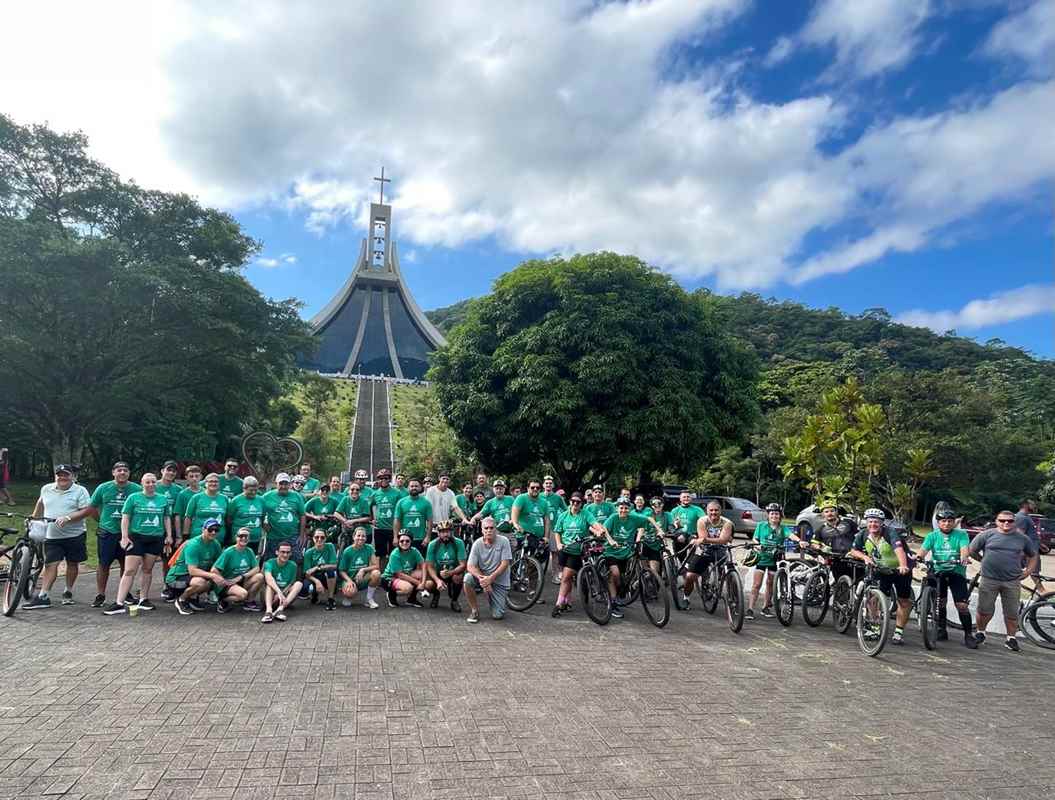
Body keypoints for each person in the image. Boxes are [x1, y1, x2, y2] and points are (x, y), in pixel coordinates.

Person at [102, 472, 173, 615]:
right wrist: (124, 537)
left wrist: (169, 535)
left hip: (155, 538)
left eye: (153, 482)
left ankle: (143, 599)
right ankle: (119, 602)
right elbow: (125, 517)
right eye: (148, 482)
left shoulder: (162, 499)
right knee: (129, 570)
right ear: (142, 483)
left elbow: (166, 518)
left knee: (147, 570)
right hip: (137, 537)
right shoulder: (133, 498)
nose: (151, 485)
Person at [23, 465, 92, 610]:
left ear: (72, 476)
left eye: (66, 475)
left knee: (72, 564)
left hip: (75, 534)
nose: (62, 477)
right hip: (52, 535)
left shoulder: (80, 491)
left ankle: (68, 591)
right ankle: (44, 596)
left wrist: (68, 518)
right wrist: (34, 518)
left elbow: (87, 510)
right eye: (59, 475)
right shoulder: (47, 488)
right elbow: (41, 502)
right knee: (50, 565)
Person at [969, 510, 1038, 652]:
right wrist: (983, 561)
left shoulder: (1022, 538)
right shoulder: (986, 535)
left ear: (1015, 522)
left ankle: (1011, 638)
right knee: (984, 610)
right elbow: (972, 550)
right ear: (996, 521)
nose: (1006, 523)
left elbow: (1033, 556)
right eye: (1002, 520)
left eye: (1010, 521)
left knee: (1012, 612)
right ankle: (981, 632)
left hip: (1012, 581)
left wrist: (1028, 572)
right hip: (989, 579)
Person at [591, 497, 663, 618]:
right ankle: (613, 603)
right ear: (617, 508)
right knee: (614, 574)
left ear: (629, 509)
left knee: (623, 577)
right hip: (611, 551)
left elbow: (649, 518)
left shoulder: (633, 518)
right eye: (621, 508)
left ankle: (621, 592)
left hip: (626, 552)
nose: (623, 510)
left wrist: (659, 530)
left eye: (626, 508)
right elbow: (604, 529)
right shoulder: (613, 517)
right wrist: (611, 540)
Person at [850, 508, 912, 644]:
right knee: (874, 599)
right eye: (870, 521)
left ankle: (898, 632)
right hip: (881, 569)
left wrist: (903, 565)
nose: (873, 524)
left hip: (899, 570)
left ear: (882, 523)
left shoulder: (890, 533)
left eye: (876, 522)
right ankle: (875, 628)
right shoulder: (863, 534)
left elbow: (899, 549)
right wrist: (865, 557)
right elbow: (853, 550)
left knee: (904, 601)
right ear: (866, 522)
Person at [916, 507, 977, 648]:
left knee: (961, 605)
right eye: (943, 521)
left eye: (950, 521)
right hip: (938, 572)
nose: (947, 524)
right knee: (940, 602)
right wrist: (919, 557)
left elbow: (964, 550)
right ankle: (942, 629)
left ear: (954, 522)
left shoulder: (961, 534)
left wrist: (963, 558)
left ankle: (968, 635)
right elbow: (923, 551)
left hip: (956, 572)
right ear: (938, 523)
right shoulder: (932, 536)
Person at [88, 461, 141, 608]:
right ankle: (101, 594)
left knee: (127, 564)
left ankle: (125, 593)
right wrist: (101, 521)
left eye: (125, 470)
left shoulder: (136, 489)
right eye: (119, 470)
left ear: (129, 473)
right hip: (108, 532)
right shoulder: (104, 488)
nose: (122, 472)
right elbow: (92, 507)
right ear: (113, 473)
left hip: (129, 533)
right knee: (104, 564)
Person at [745, 503, 803, 621]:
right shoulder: (761, 525)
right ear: (768, 515)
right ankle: (750, 609)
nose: (774, 516)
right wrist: (757, 545)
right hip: (762, 558)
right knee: (756, 585)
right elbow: (755, 538)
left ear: (780, 515)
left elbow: (791, 535)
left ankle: (766, 607)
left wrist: (800, 541)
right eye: (772, 513)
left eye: (776, 514)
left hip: (774, 559)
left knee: (770, 584)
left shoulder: (783, 528)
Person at [166, 519, 224, 615]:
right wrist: (213, 576)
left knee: (211, 581)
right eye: (210, 529)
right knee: (201, 582)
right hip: (176, 578)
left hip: (192, 577)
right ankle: (181, 600)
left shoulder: (215, 544)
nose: (213, 532)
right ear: (203, 529)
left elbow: (218, 565)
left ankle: (191, 599)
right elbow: (192, 571)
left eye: (216, 530)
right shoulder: (193, 544)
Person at [464, 517, 513, 623]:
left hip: (499, 581)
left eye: (491, 528)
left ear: (496, 529)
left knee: (498, 615)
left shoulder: (504, 541)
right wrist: (484, 581)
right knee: (467, 578)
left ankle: (491, 597)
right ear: (482, 530)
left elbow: (505, 563)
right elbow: (470, 566)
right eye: (486, 528)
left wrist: (491, 579)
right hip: (483, 579)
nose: (489, 530)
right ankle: (474, 610)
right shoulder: (477, 544)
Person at [551, 492, 591, 617]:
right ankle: (567, 601)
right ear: (569, 501)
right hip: (565, 549)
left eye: (578, 502)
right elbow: (558, 531)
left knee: (566, 577)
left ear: (581, 503)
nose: (575, 504)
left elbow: (593, 523)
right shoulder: (563, 515)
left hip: (577, 550)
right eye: (573, 501)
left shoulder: (585, 514)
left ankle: (558, 604)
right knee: (566, 577)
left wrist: (599, 529)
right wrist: (558, 544)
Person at [210, 527, 265, 612]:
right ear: (236, 537)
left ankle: (249, 602)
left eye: (246, 536)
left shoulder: (249, 551)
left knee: (260, 576)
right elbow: (214, 570)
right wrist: (223, 581)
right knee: (242, 594)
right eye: (241, 536)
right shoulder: (229, 552)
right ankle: (223, 600)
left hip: (240, 580)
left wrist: (242, 576)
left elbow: (256, 568)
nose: (243, 538)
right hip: (228, 583)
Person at [261, 472, 306, 561]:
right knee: (270, 561)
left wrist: (301, 535)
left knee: (297, 560)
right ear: (276, 484)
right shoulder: (267, 497)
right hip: (273, 536)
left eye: (286, 484)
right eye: (281, 484)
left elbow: (302, 515)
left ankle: (296, 575)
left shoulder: (297, 496)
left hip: (292, 536)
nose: (284, 486)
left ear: (290, 484)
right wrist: (264, 523)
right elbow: (260, 512)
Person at [811, 499, 859, 584]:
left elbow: (860, 536)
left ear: (836, 512)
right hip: (837, 560)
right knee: (841, 585)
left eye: (832, 511)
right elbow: (814, 543)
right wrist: (821, 547)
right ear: (822, 514)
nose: (829, 513)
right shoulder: (821, 529)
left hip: (854, 558)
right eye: (826, 512)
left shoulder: (848, 523)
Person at [424, 520, 467, 611]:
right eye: (443, 532)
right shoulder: (432, 544)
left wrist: (450, 573)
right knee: (428, 584)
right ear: (438, 533)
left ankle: (454, 600)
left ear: (452, 532)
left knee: (458, 577)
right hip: (438, 572)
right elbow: (429, 566)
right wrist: (437, 580)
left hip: (453, 571)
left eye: (447, 531)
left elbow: (463, 565)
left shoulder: (458, 543)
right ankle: (436, 595)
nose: (445, 534)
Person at [381, 532, 428, 608]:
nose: (404, 543)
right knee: (408, 588)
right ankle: (391, 594)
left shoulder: (414, 551)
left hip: (405, 574)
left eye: (407, 541)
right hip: (389, 578)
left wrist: (423, 582)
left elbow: (423, 564)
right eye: (401, 541)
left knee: (421, 573)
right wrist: (419, 583)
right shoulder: (394, 554)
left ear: (411, 542)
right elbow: (399, 574)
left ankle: (411, 599)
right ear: (398, 542)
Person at [338, 527, 381, 608]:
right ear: (353, 537)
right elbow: (341, 570)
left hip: (362, 577)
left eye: (363, 536)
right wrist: (349, 581)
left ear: (366, 538)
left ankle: (369, 599)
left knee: (376, 573)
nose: (361, 538)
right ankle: (348, 597)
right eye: (358, 535)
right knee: (350, 592)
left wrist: (363, 569)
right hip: (350, 578)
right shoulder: (347, 551)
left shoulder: (369, 548)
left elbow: (376, 566)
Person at [261, 541, 303, 623]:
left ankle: (280, 610)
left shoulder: (293, 565)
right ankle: (268, 612)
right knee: (270, 585)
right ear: (277, 552)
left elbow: (290, 583)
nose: (285, 555)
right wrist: (279, 592)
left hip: (284, 599)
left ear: (291, 553)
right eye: (282, 552)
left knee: (299, 584)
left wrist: (282, 594)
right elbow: (269, 578)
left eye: (288, 552)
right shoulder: (269, 563)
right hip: (269, 597)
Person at [183, 473, 229, 545]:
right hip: (198, 536)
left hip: (218, 537)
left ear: (219, 484)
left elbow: (228, 519)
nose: (213, 483)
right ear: (205, 483)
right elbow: (188, 517)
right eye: (210, 481)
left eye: (216, 481)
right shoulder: (196, 498)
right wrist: (185, 536)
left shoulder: (225, 499)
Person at [227, 476, 266, 557]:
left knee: (252, 560)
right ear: (244, 488)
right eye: (251, 490)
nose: (254, 492)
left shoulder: (261, 500)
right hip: (239, 538)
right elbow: (229, 519)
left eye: (256, 490)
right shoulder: (235, 501)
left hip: (255, 538)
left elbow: (262, 517)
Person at [370, 469, 403, 564]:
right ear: (378, 480)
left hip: (393, 528)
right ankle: (383, 575)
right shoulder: (375, 494)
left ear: (389, 479)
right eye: (381, 478)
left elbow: (401, 510)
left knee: (394, 553)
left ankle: (393, 575)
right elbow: (369, 506)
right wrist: (372, 518)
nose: (383, 480)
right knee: (381, 555)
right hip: (380, 528)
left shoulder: (397, 493)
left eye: (386, 478)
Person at [511, 479, 550, 558]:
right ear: (527, 488)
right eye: (532, 487)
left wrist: (546, 536)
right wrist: (515, 524)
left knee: (538, 559)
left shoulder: (544, 502)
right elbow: (514, 513)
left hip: (538, 537)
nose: (535, 489)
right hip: (523, 535)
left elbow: (547, 521)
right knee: (521, 559)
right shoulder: (521, 498)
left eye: (537, 488)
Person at [393, 479, 433, 556]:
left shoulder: (426, 502)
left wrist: (428, 537)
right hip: (405, 539)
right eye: (412, 486)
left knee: (421, 562)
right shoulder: (401, 502)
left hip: (421, 539)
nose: (414, 488)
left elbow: (430, 521)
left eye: (416, 486)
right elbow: (397, 520)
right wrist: (395, 537)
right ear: (408, 488)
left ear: (420, 488)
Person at [303, 529, 339, 610]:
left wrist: (317, 567)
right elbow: (307, 573)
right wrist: (317, 582)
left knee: (331, 572)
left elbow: (334, 566)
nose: (319, 539)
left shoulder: (330, 546)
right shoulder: (308, 552)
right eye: (317, 537)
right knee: (306, 588)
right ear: (313, 538)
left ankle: (330, 599)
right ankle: (314, 594)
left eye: (322, 537)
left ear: (326, 539)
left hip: (325, 575)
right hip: (314, 577)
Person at [1015, 500, 1044, 593]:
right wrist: (1023, 551)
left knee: (1033, 574)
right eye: (1033, 504)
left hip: (1031, 550)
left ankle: (1044, 594)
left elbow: (1030, 534)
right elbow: (1020, 535)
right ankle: (1044, 594)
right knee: (1034, 574)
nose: (1035, 506)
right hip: (1028, 552)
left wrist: (1040, 544)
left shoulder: (1026, 517)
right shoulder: (1021, 518)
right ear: (1025, 505)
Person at [174, 464, 202, 540]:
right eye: (191, 476)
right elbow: (178, 516)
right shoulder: (182, 494)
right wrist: (179, 536)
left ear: (201, 477)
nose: (194, 479)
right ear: (186, 478)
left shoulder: (205, 492)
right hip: (187, 531)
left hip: (203, 529)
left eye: (197, 476)